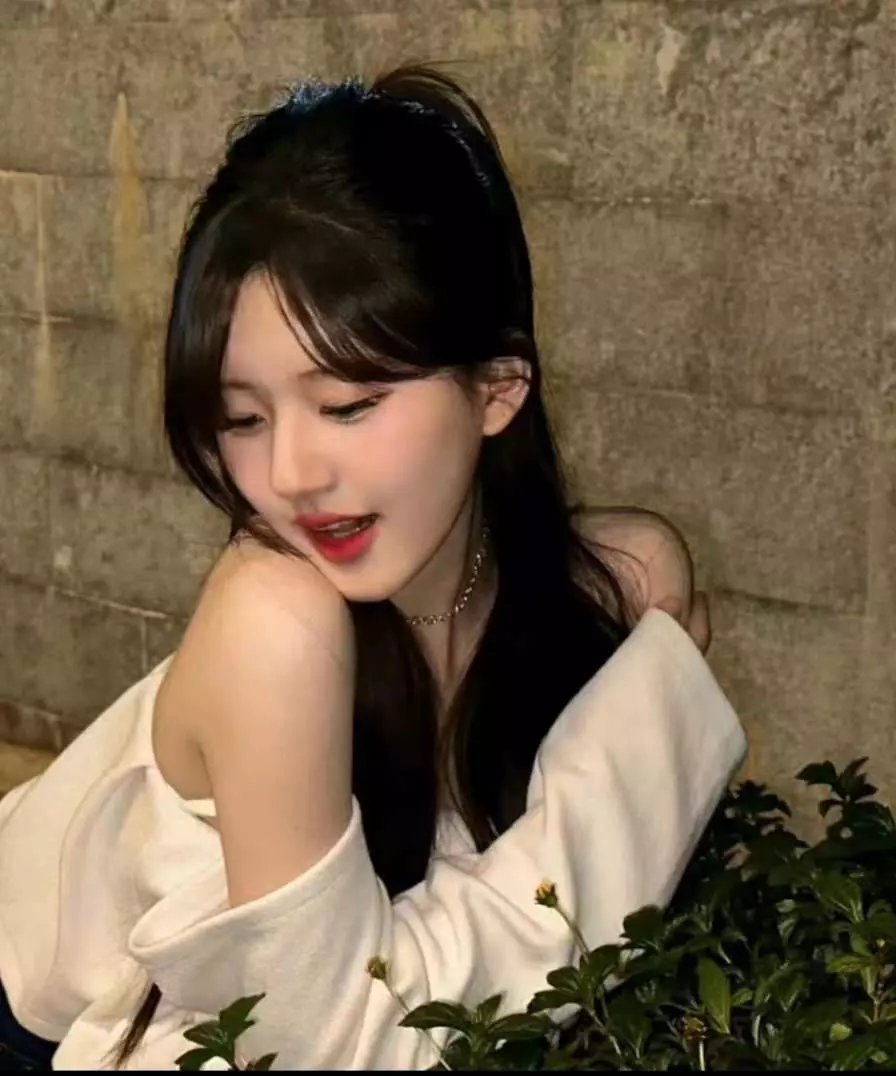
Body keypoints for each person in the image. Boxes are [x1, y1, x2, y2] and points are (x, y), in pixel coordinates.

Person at [0, 63, 745, 1070]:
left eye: (347, 405)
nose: (291, 475)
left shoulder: (596, 577)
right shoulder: (276, 617)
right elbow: (344, 1042)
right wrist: (644, 748)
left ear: (496, 387)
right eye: (242, 417)